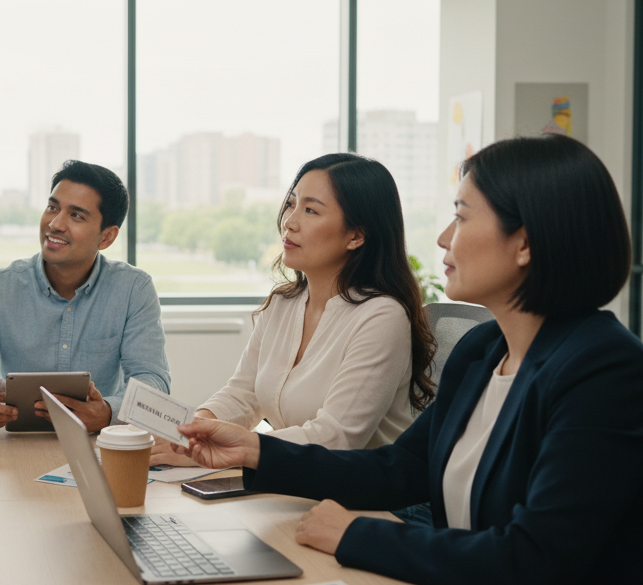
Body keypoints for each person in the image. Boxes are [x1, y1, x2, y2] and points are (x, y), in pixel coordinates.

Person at [171, 135, 643, 585]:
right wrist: (255, 450)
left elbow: (533, 561)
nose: (441, 239)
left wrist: (357, 535)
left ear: (525, 243)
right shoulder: (484, 350)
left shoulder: (604, 370)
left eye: (461, 217)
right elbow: (398, 470)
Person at [151, 153, 435, 467]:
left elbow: (336, 438)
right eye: (291, 204)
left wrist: (236, 448)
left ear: (356, 235)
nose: (289, 222)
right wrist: (188, 433)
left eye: (311, 210)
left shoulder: (381, 317)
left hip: (363, 491)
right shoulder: (283, 303)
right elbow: (244, 394)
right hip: (292, 482)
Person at [0, 160, 169, 433]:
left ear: (106, 237)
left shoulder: (134, 289)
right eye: (52, 207)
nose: (55, 224)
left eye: (76, 215)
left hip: (98, 444)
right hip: (12, 445)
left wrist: (107, 412)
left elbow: (153, 383)